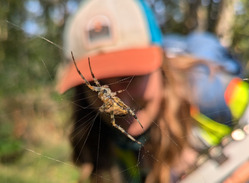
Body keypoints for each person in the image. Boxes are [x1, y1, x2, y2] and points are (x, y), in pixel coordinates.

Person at [56, 0, 249, 182]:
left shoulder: (212, 91)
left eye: (131, 77)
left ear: (161, 66)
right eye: (97, 84)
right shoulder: (100, 135)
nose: (119, 101)